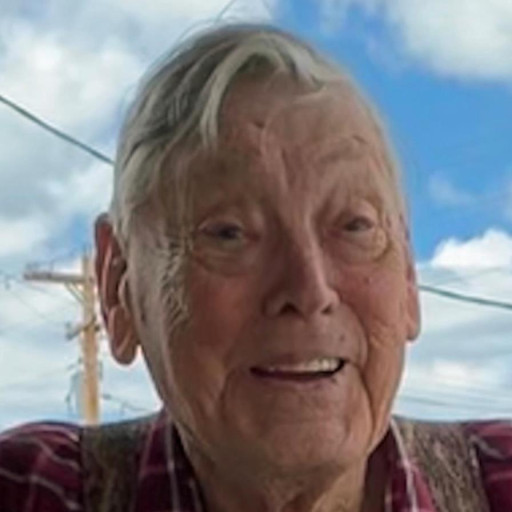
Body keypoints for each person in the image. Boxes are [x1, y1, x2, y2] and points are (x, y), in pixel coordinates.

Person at [1, 24, 511, 512]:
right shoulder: (29, 492)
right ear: (119, 286)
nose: (309, 290)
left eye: (355, 226)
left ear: (409, 282)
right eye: (229, 233)